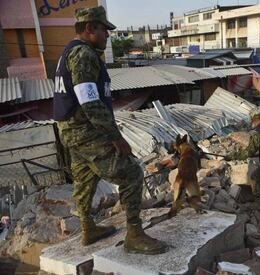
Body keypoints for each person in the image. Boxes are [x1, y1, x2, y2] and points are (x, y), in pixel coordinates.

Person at [53, 6, 167, 254]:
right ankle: (134, 235)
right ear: (89, 27)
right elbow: (90, 102)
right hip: (87, 131)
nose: (107, 35)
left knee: (84, 180)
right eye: (104, 29)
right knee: (132, 173)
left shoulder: (69, 52)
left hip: (72, 132)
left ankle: (88, 228)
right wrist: (117, 138)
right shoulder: (83, 54)